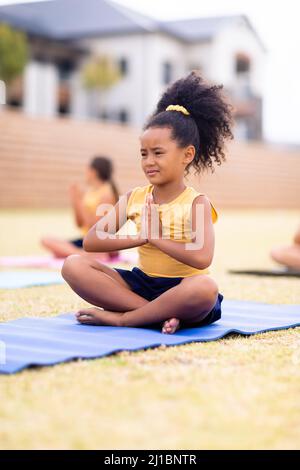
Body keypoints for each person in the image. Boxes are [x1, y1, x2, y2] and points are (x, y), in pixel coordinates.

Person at [62, 71, 234, 334]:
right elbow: (92, 240)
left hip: (183, 289)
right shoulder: (134, 197)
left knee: (205, 288)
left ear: (187, 155)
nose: (149, 161)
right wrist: (140, 238)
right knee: (73, 265)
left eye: (158, 153)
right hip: (141, 285)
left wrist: (156, 238)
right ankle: (155, 315)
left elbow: (202, 258)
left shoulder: (197, 202)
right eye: (144, 154)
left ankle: (125, 319)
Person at [41, 156, 120, 260]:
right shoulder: (90, 192)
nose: (85, 173)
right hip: (87, 239)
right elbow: (79, 224)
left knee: (59, 251)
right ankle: (82, 254)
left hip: (102, 242)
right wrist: (75, 200)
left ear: (93, 172)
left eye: (87, 170)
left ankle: (82, 254)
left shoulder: (106, 194)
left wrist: (80, 200)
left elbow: (95, 228)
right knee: (46, 240)